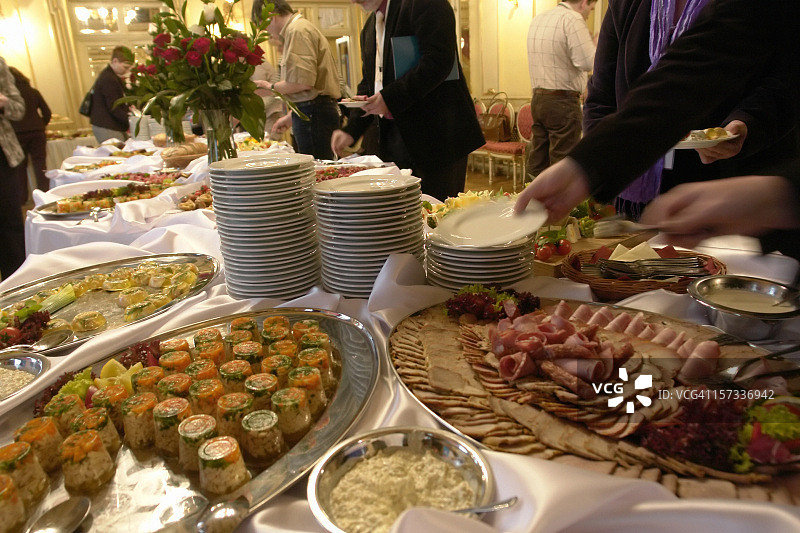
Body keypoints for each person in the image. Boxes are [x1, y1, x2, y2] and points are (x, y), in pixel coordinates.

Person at [514, 0, 800, 258]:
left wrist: (780, 195)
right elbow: (698, 67)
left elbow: (781, 77)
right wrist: (586, 165)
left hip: (745, 194)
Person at [584, 0, 798, 218]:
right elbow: (602, 94)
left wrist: (749, 120)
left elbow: (783, 77)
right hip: (631, 195)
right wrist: (591, 169)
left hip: (730, 188)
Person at [330, 0, 484, 201]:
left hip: (437, 138)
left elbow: (438, 61)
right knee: (402, 218)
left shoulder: (425, 3)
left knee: (438, 214)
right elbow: (370, 83)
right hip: (394, 140)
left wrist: (388, 97)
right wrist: (351, 129)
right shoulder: (369, 28)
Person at [252, 0, 341, 159]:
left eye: (263, 26)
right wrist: (291, 117)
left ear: (270, 17)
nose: (267, 32)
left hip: (314, 113)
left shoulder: (296, 30)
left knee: (315, 172)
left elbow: (302, 82)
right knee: (316, 168)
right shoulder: (299, 28)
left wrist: (269, 86)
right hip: (314, 111)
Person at [526, 0, 597, 180]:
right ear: (583, 3)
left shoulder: (538, 19)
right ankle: (558, 208)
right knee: (562, 163)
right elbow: (587, 62)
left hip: (538, 99)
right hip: (563, 102)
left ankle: (527, 205)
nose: (589, 13)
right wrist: (595, 45)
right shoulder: (572, 19)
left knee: (537, 163)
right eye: (591, 8)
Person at [0, 56, 26, 279]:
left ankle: (16, 288)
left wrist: (4, 101)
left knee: (10, 228)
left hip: (3, 156)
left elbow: (19, 109)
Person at [9, 67, 51, 201]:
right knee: (40, 164)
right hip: (37, 133)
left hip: (17, 134)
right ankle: (44, 195)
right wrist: (40, 125)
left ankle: (22, 199)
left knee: (20, 167)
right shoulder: (33, 92)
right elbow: (47, 113)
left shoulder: (9, 97)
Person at [90, 45, 133, 143]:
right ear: (115, 61)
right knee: (117, 155)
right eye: (125, 67)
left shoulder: (110, 76)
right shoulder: (109, 79)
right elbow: (114, 106)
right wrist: (132, 122)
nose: (127, 71)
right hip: (108, 126)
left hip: (110, 125)